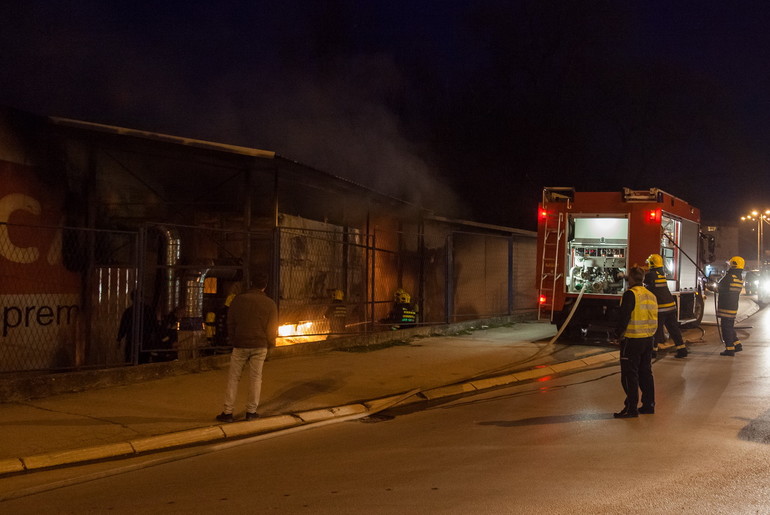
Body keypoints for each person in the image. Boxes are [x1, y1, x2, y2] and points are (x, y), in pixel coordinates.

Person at [216, 272, 278, 422]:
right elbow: (272, 328)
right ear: (265, 286)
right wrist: (270, 344)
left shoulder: (238, 300)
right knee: (256, 378)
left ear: (251, 284)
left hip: (240, 344)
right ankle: (251, 412)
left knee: (234, 378)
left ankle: (228, 412)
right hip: (260, 344)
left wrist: (233, 339)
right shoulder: (270, 304)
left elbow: (230, 322)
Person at [613, 266, 658, 419]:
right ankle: (648, 405)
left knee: (629, 374)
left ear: (631, 278)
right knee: (646, 373)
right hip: (648, 339)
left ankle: (631, 408)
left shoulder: (630, 294)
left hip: (632, 339)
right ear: (643, 278)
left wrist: (617, 335)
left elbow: (623, 317)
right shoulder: (651, 295)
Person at [644, 254, 687, 358]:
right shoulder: (661, 274)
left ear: (652, 264)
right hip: (671, 307)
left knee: (656, 331)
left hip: (661, 308)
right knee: (673, 329)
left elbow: (643, 283)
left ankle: (653, 352)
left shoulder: (650, 276)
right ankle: (682, 350)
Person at [116, 290, 158, 364]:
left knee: (130, 360)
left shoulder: (129, 311)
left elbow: (123, 326)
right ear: (142, 298)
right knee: (143, 361)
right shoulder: (149, 310)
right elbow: (154, 325)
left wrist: (119, 338)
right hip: (145, 339)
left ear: (132, 299)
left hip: (132, 339)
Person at [717, 256, 745, 356]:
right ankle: (737, 344)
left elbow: (719, 287)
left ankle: (729, 349)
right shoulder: (739, 278)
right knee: (729, 327)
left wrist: (711, 285)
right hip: (733, 306)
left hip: (726, 307)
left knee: (726, 328)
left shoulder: (729, 277)